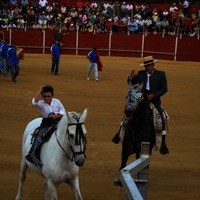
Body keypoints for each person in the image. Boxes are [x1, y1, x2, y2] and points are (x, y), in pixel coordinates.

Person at [112, 56, 169, 155]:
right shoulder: (141, 74)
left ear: (153, 65)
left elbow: (164, 89)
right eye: (146, 65)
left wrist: (154, 95)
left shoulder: (161, 74)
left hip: (154, 102)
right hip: (140, 100)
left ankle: (163, 143)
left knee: (162, 117)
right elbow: (131, 83)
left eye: (149, 65)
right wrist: (131, 77)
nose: (147, 67)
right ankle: (119, 133)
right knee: (128, 113)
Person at [25, 85, 66, 167]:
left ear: (52, 96)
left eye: (49, 96)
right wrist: (40, 90)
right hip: (46, 123)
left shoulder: (57, 101)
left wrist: (57, 116)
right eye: (45, 96)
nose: (47, 98)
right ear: (42, 96)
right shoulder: (41, 104)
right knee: (39, 136)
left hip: (58, 122)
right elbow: (34, 102)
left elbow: (63, 111)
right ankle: (32, 155)